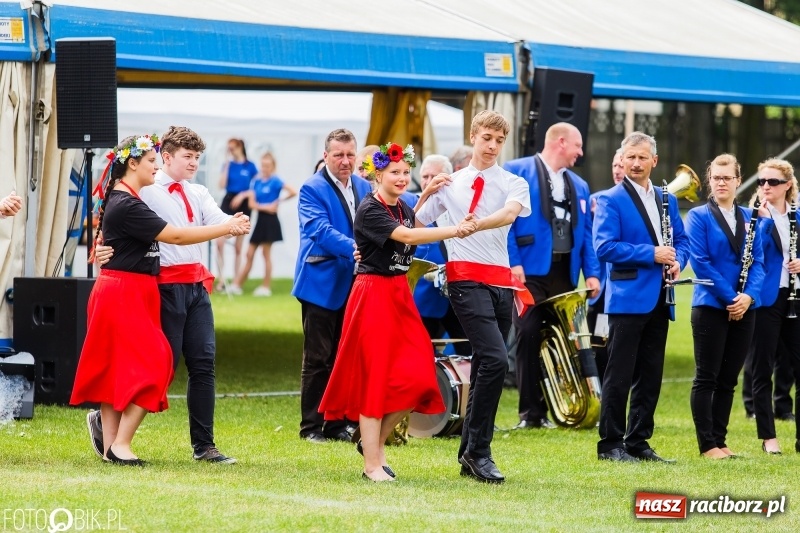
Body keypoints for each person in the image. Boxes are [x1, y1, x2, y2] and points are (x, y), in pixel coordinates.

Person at [72, 133, 250, 465]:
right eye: (187, 156)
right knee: (156, 362)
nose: (194, 163)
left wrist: (234, 223)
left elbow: (214, 219)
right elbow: (167, 233)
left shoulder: (193, 192)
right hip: (154, 287)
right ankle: (117, 440)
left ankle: (202, 445)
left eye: (198, 157)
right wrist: (100, 248)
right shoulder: (142, 191)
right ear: (163, 158)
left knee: (202, 362)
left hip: (183, 286)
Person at [319, 142, 478, 482]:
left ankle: (368, 441)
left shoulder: (402, 206)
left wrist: (427, 193)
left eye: (407, 172)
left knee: (421, 373)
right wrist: (455, 228)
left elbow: (410, 222)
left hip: (399, 294)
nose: (403, 178)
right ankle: (372, 464)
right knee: (375, 379)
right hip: (373, 294)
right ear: (378, 176)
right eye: (395, 173)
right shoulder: (370, 209)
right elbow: (406, 234)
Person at [416, 110, 532, 483]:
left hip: (500, 281)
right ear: (474, 137)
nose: (493, 146)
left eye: (499, 140)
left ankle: (470, 451)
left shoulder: (514, 182)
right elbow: (413, 224)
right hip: (464, 278)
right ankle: (480, 452)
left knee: (486, 363)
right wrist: (427, 194)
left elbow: (509, 214)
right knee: (498, 359)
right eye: (486, 138)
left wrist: (475, 224)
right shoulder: (450, 182)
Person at [592, 131, 690, 463]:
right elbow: (604, 248)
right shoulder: (609, 199)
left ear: (654, 161)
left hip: (661, 297)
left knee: (651, 374)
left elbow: (683, 240)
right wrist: (653, 254)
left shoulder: (668, 199)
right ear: (622, 160)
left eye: (642, 157)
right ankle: (610, 444)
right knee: (619, 374)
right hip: (627, 299)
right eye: (630, 157)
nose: (635, 163)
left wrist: (678, 261)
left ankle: (638, 441)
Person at [504, 122, 601, 430]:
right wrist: (513, 262)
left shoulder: (580, 185)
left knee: (565, 342)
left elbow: (587, 235)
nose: (581, 153)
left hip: (565, 273)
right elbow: (504, 223)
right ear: (561, 142)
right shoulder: (516, 170)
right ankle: (531, 414)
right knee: (529, 335)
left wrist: (593, 274)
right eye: (578, 146)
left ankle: (563, 409)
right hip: (529, 272)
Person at [292, 128, 373, 444]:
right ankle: (311, 426)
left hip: (357, 282)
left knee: (347, 358)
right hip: (321, 283)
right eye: (338, 155)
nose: (345, 161)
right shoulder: (311, 188)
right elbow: (318, 229)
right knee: (318, 358)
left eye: (351, 154)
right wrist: (354, 245)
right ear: (325, 156)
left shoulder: (365, 186)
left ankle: (338, 424)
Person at [685, 153, 765, 459]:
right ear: (710, 181)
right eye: (716, 178)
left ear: (738, 181)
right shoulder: (698, 216)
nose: (721, 183)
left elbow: (758, 262)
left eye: (727, 178)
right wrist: (731, 298)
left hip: (745, 307)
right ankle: (707, 444)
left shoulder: (750, 216)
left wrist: (749, 297)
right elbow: (701, 263)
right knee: (707, 376)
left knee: (729, 379)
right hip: (711, 305)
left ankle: (720, 439)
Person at [747, 158, 800, 455]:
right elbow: (749, 252)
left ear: (788, 185)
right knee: (762, 369)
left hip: (795, 297)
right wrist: (763, 219)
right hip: (767, 299)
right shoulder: (753, 216)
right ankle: (769, 438)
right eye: (762, 182)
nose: (766, 186)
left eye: (773, 182)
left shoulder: (798, 216)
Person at [412, 154, 471, 355]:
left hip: (460, 293)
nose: (429, 182)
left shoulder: (461, 206)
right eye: (425, 176)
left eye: (434, 176)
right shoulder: (412, 206)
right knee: (422, 351)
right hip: (424, 296)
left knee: (468, 349)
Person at [231, 152, 297, 296]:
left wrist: (279, 201)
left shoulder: (276, 181)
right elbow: (252, 204)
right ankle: (237, 285)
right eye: (263, 165)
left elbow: (293, 191)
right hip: (261, 219)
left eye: (267, 165)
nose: (264, 168)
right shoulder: (257, 181)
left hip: (271, 221)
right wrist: (266, 206)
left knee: (265, 253)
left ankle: (265, 287)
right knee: (249, 253)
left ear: (272, 166)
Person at [586, 149, 627, 381]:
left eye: (621, 165)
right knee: (599, 340)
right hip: (601, 288)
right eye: (614, 165)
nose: (617, 170)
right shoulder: (596, 199)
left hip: (625, 287)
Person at [216, 138, 258, 290]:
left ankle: (235, 281)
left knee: (238, 247)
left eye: (233, 148)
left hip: (244, 202)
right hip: (228, 200)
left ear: (240, 147)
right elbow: (221, 185)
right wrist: (227, 163)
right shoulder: (228, 165)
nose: (231, 150)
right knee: (219, 242)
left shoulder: (250, 166)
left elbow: (257, 187)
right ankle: (221, 279)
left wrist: (243, 195)